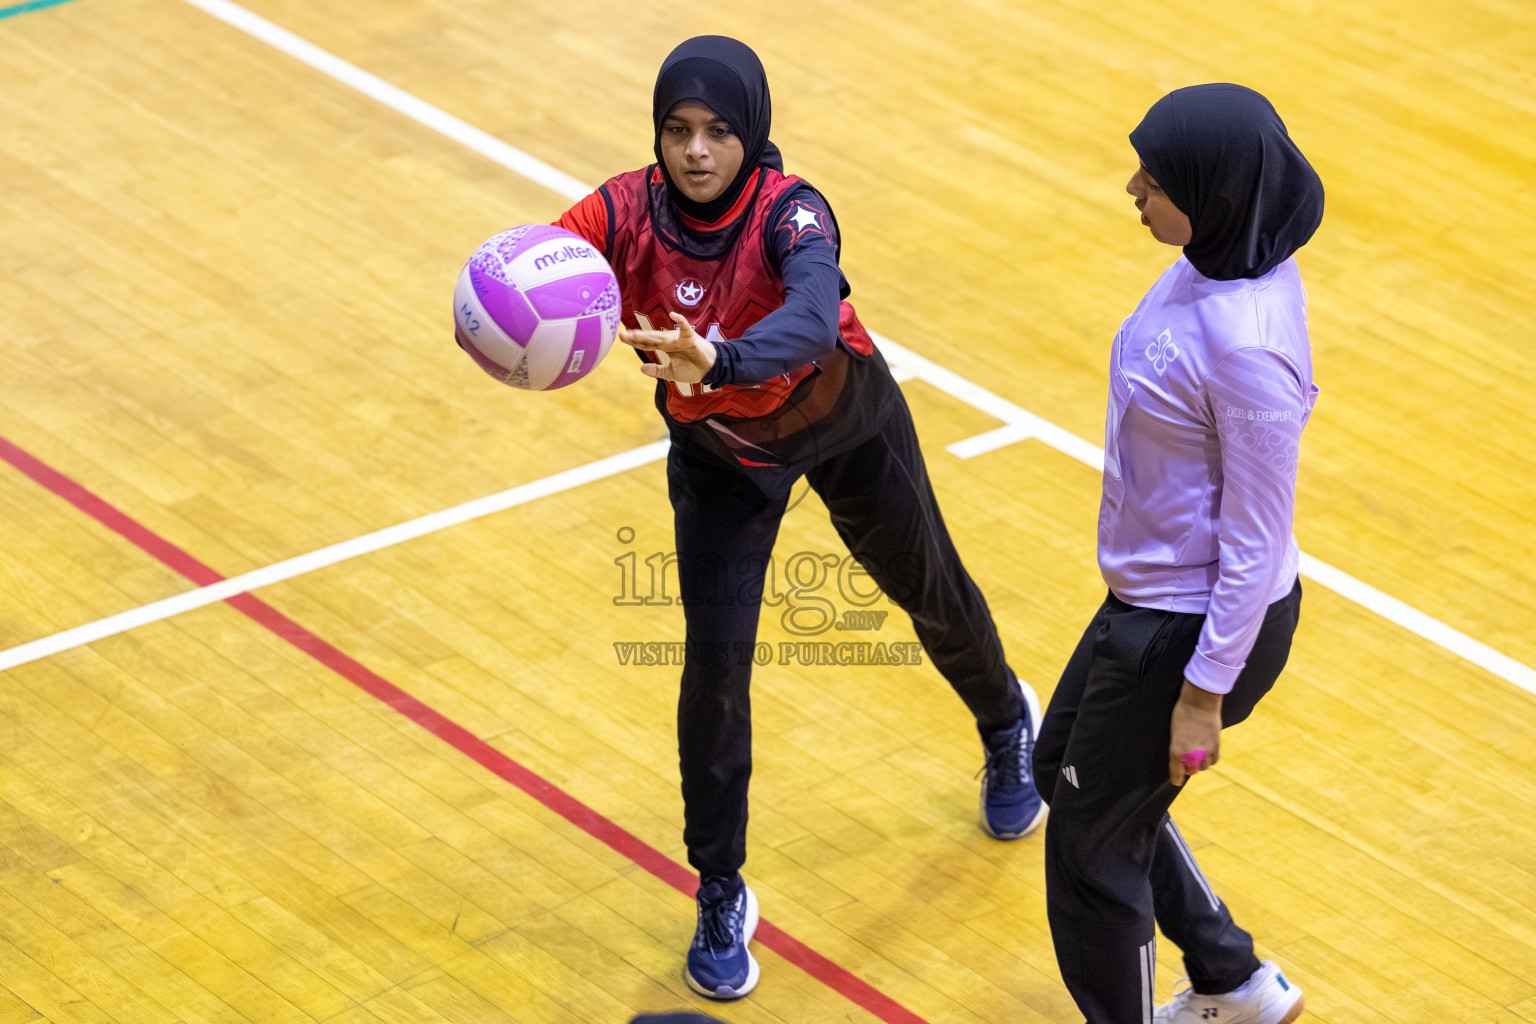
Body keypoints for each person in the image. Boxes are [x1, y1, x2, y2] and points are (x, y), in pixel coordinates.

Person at [549, 36, 1044, 1000]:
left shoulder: (794, 212)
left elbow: (814, 318)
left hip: (844, 422)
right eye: (677, 131)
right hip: (722, 463)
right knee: (714, 667)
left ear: (753, 134)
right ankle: (721, 885)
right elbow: (539, 257)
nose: (695, 151)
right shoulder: (620, 209)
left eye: (719, 132)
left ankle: (1004, 722)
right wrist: (501, 313)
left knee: (927, 590)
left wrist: (717, 361)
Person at [1031, 84, 1324, 1024]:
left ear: (1216, 191)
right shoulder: (1214, 260)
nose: (1133, 189)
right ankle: (1231, 978)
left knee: (1090, 847)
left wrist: (1203, 693)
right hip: (1149, 605)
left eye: (1155, 182)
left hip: (1189, 630)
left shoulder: (1246, 349)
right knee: (1061, 773)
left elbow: (1255, 537)